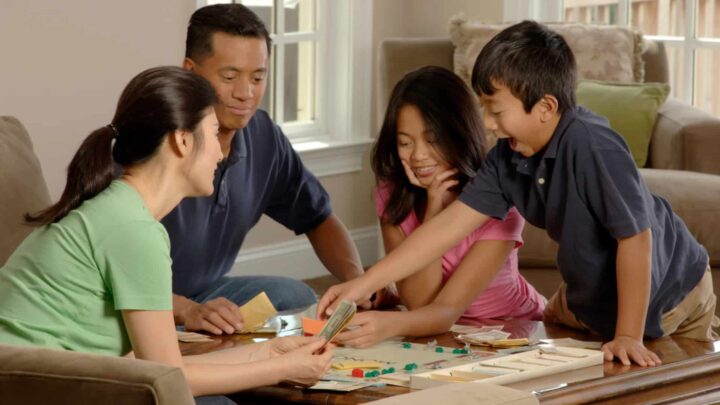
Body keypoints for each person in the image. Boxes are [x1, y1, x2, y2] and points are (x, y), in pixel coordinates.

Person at [318, 21, 718, 367]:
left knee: (664, 380)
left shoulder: (593, 145)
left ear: (545, 107)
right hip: (589, 297)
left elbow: (635, 238)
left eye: (496, 111)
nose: (488, 125)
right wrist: (362, 284)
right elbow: (443, 232)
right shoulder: (506, 160)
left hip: (669, 290)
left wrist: (629, 334)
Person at [0, 66, 333, 401]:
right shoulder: (133, 229)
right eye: (214, 133)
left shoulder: (120, 210)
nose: (220, 152)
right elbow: (168, 379)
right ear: (182, 139)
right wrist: (284, 370)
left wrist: (271, 354)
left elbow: (157, 365)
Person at [163, 3, 377, 336]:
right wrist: (185, 310)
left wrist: (357, 283)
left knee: (294, 295)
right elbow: (108, 274)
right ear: (190, 72)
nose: (245, 93)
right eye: (229, 77)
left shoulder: (262, 136)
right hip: (142, 303)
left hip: (205, 291)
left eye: (258, 77)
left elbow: (317, 217)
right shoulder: (154, 143)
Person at [334, 66, 544, 348]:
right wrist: (434, 209)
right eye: (405, 142)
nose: (418, 156)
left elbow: (445, 310)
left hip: (513, 328)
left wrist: (388, 324)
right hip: (441, 333)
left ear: (459, 133)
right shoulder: (392, 197)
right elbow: (419, 301)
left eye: (432, 141)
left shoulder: (499, 202)